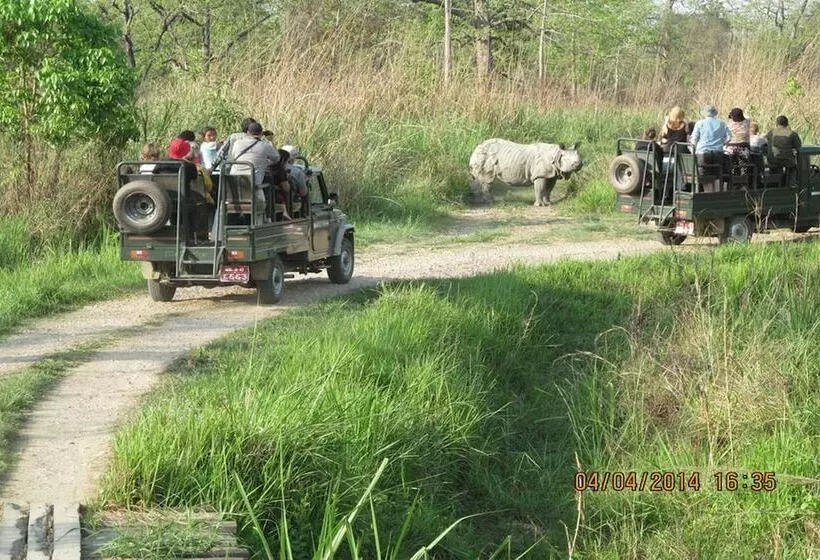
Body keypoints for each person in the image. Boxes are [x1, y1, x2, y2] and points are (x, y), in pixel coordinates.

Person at [228, 121, 280, 224]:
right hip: (253, 188)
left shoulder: (237, 143)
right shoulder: (264, 146)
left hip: (232, 189)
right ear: (261, 134)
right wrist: (265, 162)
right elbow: (277, 158)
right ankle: (261, 226)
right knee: (261, 202)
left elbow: (232, 158)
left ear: (247, 132)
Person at [690, 105, 730, 192]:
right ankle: (716, 193)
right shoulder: (722, 123)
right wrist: (722, 143)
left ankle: (708, 193)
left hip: (703, 152)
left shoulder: (700, 123)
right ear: (715, 113)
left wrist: (693, 149)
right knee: (717, 174)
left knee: (705, 175)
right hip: (718, 152)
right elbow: (729, 138)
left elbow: (694, 139)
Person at [766, 115, 802, 187]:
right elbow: (799, 147)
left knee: (774, 169)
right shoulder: (792, 134)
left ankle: (774, 185)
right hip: (786, 160)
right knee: (793, 169)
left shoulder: (770, 133)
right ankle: (791, 185)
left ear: (777, 124)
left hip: (772, 160)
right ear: (787, 124)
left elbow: (767, 144)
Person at [723, 107, 751, 178]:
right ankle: (739, 184)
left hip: (738, 148)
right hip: (737, 148)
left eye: (733, 116)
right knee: (738, 168)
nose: (732, 118)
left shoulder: (729, 125)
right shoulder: (746, 122)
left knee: (739, 168)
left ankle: (739, 184)